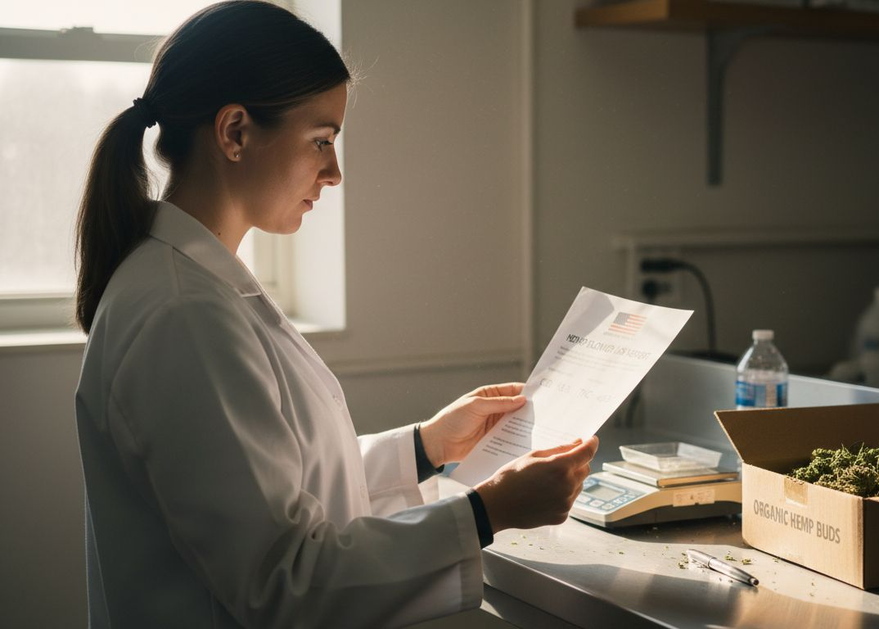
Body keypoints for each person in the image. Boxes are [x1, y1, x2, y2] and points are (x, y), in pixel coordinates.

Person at [72, 2, 598, 627]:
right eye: (321, 140)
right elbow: (283, 580)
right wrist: (486, 511)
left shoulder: (199, 286)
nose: (334, 172)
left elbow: (283, 491)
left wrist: (426, 447)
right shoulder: (185, 314)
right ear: (235, 132)